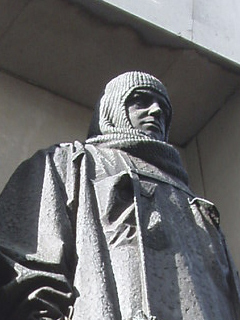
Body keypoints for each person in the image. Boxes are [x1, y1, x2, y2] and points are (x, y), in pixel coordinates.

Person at [0, 71, 239, 320]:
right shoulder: (71, 162)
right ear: (112, 109)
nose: (156, 111)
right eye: (141, 100)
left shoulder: (196, 205)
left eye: (163, 109)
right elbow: (27, 267)